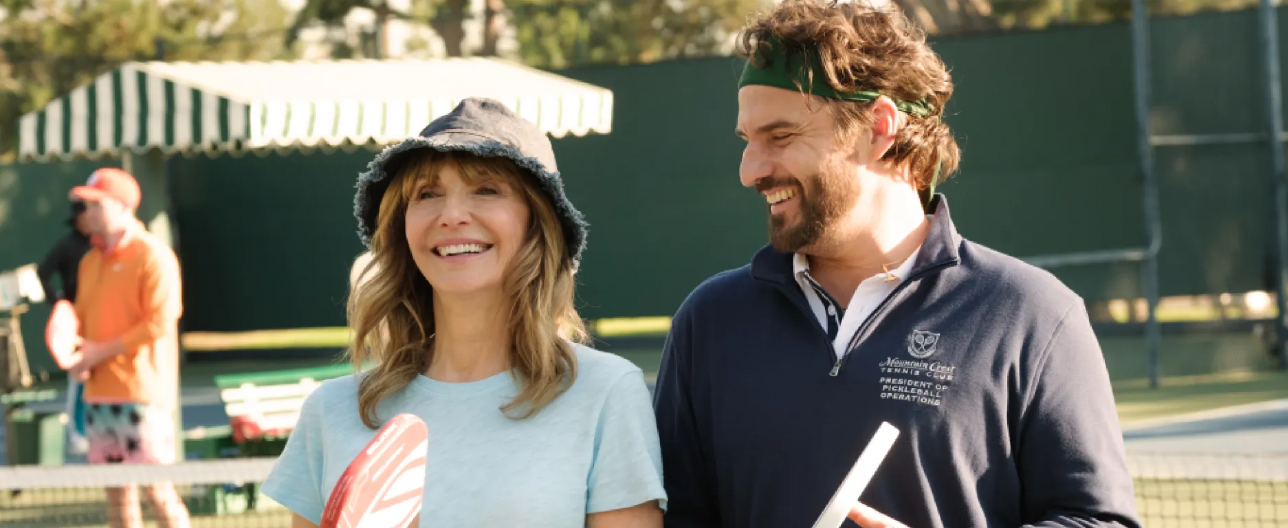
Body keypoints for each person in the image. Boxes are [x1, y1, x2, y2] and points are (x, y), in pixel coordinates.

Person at [651, 1, 1141, 527]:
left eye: (781, 136)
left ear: (879, 127)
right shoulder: (710, 323)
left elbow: (1099, 521)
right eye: (748, 141)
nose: (751, 171)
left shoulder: (1032, 315)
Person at [261, 98, 667, 527]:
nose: (451, 215)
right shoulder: (332, 411)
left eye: (486, 189)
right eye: (427, 194)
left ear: (538, 223)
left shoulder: (604, 393)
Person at [66, 167, 191, 528]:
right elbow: (83, 323)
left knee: (158, 491)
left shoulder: (153, 255)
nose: (86, 212)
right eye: (84, 205)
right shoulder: (90, 262)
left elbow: (160, 322)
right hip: (98, 396)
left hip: (142, 396)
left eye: (95, 204)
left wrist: (97, 351)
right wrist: (79, 356)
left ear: (122, 206)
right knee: (117, 496)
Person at [37, 197, 95, 456]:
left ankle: (94, 431)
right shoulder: (67, 245)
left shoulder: (99, 245)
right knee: (78, 377)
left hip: (98, 319)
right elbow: (43, 272)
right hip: (75, 321)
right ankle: (76, 433)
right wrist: (59, 303)